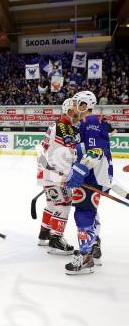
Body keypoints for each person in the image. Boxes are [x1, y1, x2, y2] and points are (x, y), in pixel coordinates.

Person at [65, 91, 112, 275]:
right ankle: (93, 244)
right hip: (91, 175)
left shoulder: (90, 121)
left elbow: (96, 151)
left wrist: (79, 171)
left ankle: (85, 257)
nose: (73, 107)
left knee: (83, 213)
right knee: (89, 211)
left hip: (91, 176)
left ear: (84, 106)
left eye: (76, 104)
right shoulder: (85, 123)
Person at [36, 98, 80, 254]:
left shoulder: (57, 124)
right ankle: (56, 238)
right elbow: (72, 150)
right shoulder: (64, 127)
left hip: (47, 170)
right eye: (76, 108)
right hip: (56, 173)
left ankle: (45, 233)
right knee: (64, 205)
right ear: (69, 110)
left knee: (52, 205)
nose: (79, 111)